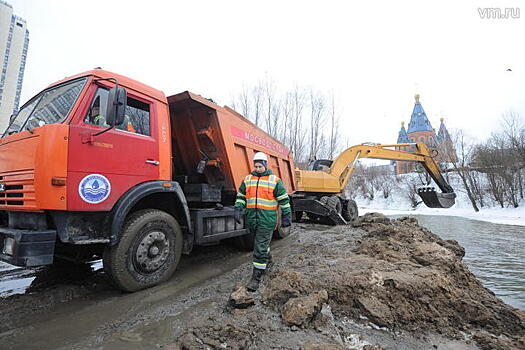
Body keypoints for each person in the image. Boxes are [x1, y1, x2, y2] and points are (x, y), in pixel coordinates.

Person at [234, 152, 292, 292]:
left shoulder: (274, 181)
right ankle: (269, 260)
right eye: (256, 166)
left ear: (265, 165)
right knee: (260, 244)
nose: (257, 168)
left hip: (267, 220)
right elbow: (241, 195)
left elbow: (284, 200)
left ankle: (256, 278)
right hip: (252, 220)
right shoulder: (248, 179)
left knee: (259, 248)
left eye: (260, 166)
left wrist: (286, 216)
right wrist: (238, 208)